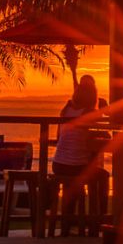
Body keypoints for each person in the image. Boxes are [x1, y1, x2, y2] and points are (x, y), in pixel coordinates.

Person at [51, 75, 110, 235]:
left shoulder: (66, 109)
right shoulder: (90, 112)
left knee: (74, 185)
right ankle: (99, 220)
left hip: (58, 164)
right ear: (94, 94)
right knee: (103, 176)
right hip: (76, 166)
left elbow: (59, 138)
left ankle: (68, 224)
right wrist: (104, 111)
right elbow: (105, 137)